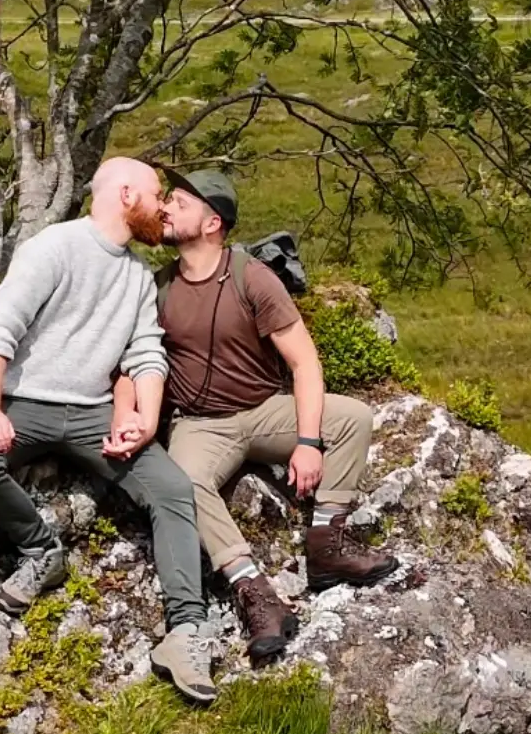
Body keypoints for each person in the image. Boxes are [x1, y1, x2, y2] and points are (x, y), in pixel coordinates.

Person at [0, 157, 217, 705]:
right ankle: (41, 552)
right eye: (155, 193)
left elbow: (146, 353)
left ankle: (186, 631)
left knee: (171, 490)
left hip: (95, 413)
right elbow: (0, 324)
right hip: (26, 403)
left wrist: (143, 421)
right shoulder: (54, 247)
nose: (163, 205)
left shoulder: (139, 277)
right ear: (126, 195)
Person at [135, 169, 397, 664]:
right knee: (184, 480)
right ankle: (256, 593)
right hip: (199, 423)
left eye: (180, 203)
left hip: (263, 408)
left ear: (213, 222)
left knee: (355, 418)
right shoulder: (159, 288)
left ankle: (327, 548)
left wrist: (307, 441)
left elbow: (304, 362)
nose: (166, 209)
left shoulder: (252, 278)